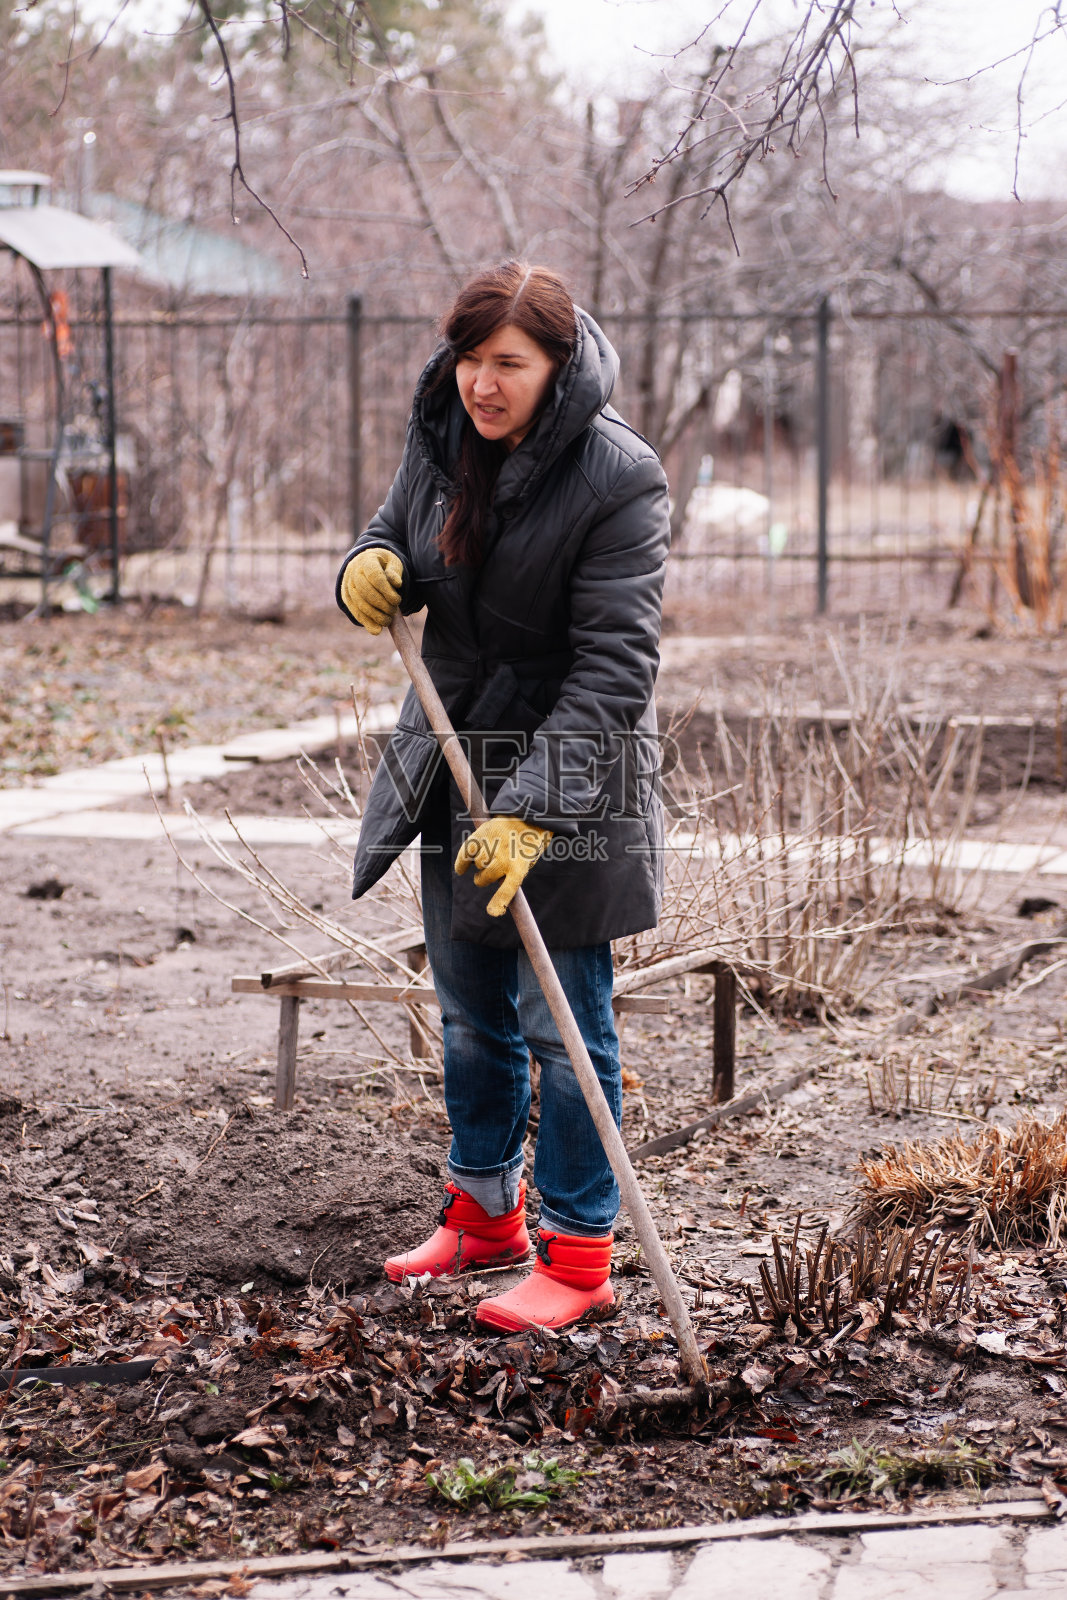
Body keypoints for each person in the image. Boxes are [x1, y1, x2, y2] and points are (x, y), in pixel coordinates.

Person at [336, 260, 670, 1332]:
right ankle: (483, 1214)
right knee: (471, 1013)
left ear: (558, 366)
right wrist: (367, 564)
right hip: (454, 761)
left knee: (561, 1021)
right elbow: (389, 530)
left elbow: (614, 669)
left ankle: (577, 1254)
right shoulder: (440, 440)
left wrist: (532, 810)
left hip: (570, 785)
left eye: (509, 363)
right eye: (471, 358)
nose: (483, 382)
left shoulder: (618, 476)